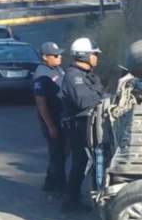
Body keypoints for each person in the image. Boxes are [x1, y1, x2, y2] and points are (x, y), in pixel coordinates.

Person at [59, 37, 107, 211]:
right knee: (81, 161)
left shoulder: (87, 74)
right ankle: (70, 201)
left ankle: (75, 196)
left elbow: (97, 92)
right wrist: (103, 97)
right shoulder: (74, 76)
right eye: (95, 54)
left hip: (85, 123)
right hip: (77, 125)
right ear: (85, 55)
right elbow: (83, 101)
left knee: (85, 160)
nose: (97, 57)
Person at [33, 42, 67, 193]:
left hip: (62, 117)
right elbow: (41, 102)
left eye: (59, 54)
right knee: (57, 154)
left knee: (61, 152)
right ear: (45, 57)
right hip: (52, 119)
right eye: (55, 55)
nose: (59, 57)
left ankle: (50, 182)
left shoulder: (57, 69)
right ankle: (60, 187)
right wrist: (50, 125)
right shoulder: (41, 74)